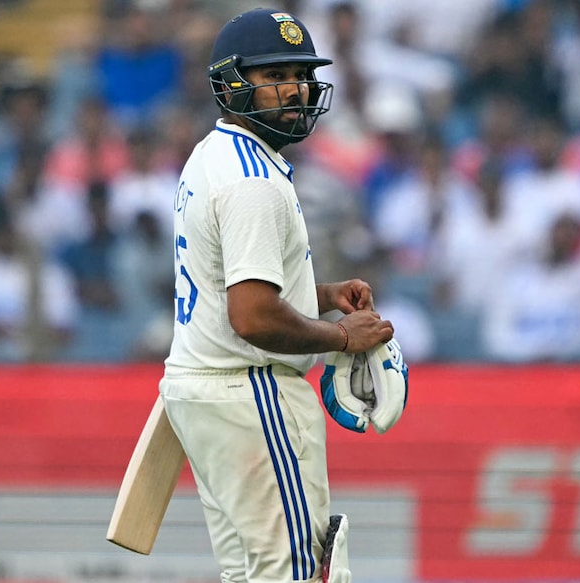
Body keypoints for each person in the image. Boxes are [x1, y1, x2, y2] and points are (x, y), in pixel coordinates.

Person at [159, 8, 393, 582]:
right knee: (294, 573)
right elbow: (253, 316)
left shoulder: (215, 155)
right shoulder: (254, 180)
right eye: (274, 75)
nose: (296, 89)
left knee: (247, 575)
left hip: (204, 390)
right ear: (230, 83)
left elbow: (240, 286)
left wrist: (323, 294)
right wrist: (343, 334)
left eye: (300, 73)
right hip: (252, 392)